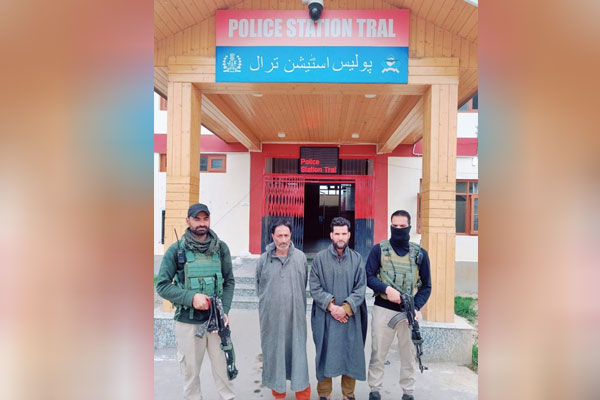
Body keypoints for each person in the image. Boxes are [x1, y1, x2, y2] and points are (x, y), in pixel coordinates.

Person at [156, 203, 235, 400]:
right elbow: (162, 285)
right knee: (190, 376)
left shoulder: (221, 248)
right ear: (188, 220)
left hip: (217, 322)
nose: (202, 223)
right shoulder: (176, 250)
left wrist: (224, 311)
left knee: (224, 371)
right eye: (197, 219)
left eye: (205, 219)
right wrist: (191, 298)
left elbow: (229, 281)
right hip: (188, 323)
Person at [366, 210, 432, 400]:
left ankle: (408, 392)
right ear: (390, 226)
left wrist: (416, 307)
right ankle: (375, 390)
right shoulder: (379, 250)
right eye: (394, 226)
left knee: (409, 355)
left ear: (409, 227)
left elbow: (426, 286)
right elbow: (368, 276)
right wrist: (386, 289)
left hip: (408, 313)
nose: (398, 229)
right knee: (378, 353)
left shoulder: (420, 254)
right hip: (383, 309)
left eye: (402, 226)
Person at [309, 217, 367, 400]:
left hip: (350, 317)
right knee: (325, 353)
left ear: (349, 235)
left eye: (344, 233)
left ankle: (348, 394)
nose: (340, 237)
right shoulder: (319, 259)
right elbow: (314, 287)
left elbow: (361, 288)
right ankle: (324, 394)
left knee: (350, 353)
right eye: (337, 233)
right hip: (326, 316)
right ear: (331, 235)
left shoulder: (357, 259)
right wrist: (332, 307)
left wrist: (346, 308)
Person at [255, 218, 311, 400]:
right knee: (274, 354)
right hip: (271, 319)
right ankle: (278, 394)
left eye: (286, 235)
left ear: (291, 235)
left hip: (295, 318)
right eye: (279, 236)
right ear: (272, 236)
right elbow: (259, 287)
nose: (283, 239)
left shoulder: (300, 258)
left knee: (298, 355)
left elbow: (303, 283)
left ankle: (303, 394)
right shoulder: (263, 260)